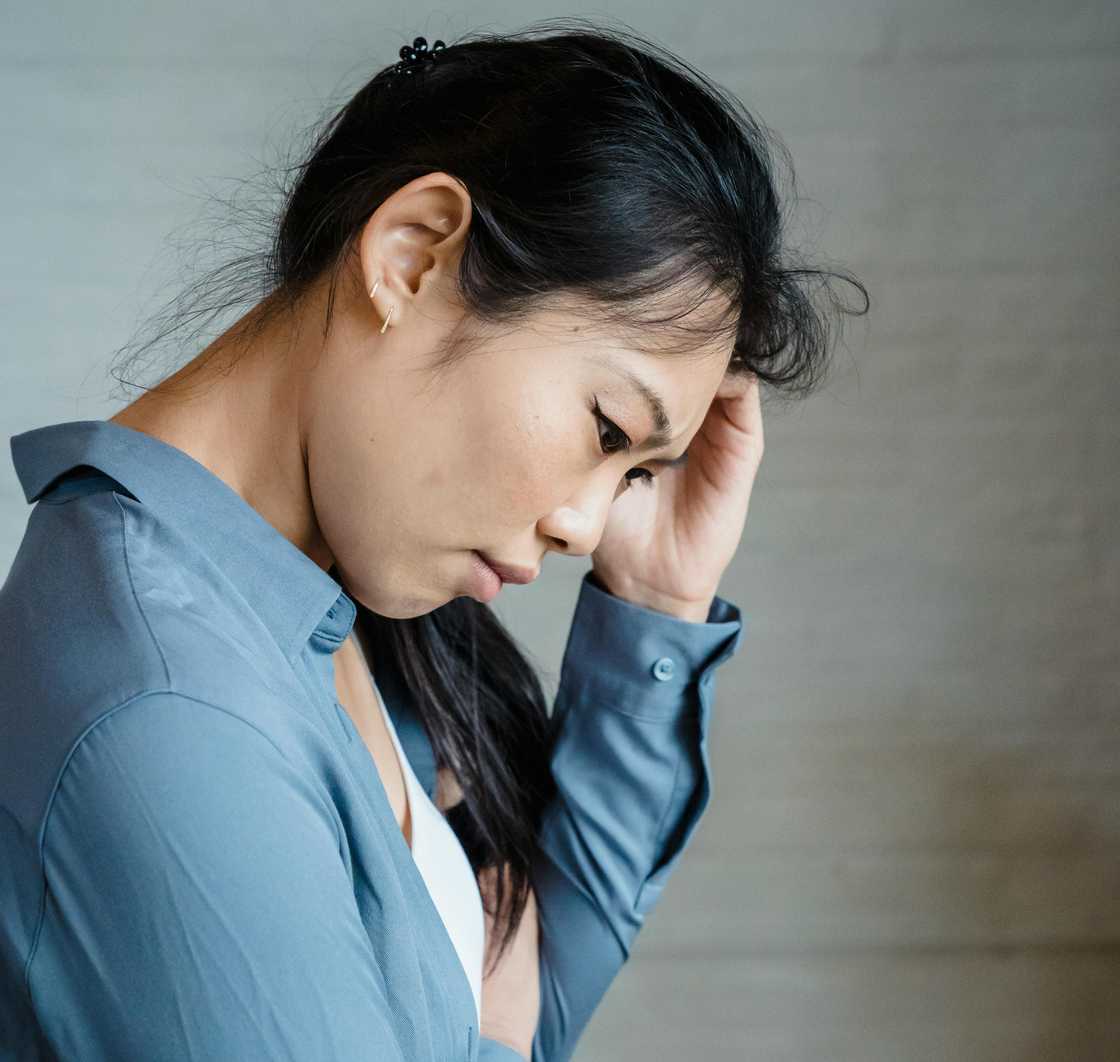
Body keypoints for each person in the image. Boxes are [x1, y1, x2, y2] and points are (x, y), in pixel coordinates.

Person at [0, 17, 865, 1062]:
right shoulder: (175, 721)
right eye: (606, 429)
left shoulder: (337, 607)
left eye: (636, 472)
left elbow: (512, 1011)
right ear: (412, 257)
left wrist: (656, 600)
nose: (584, 526)